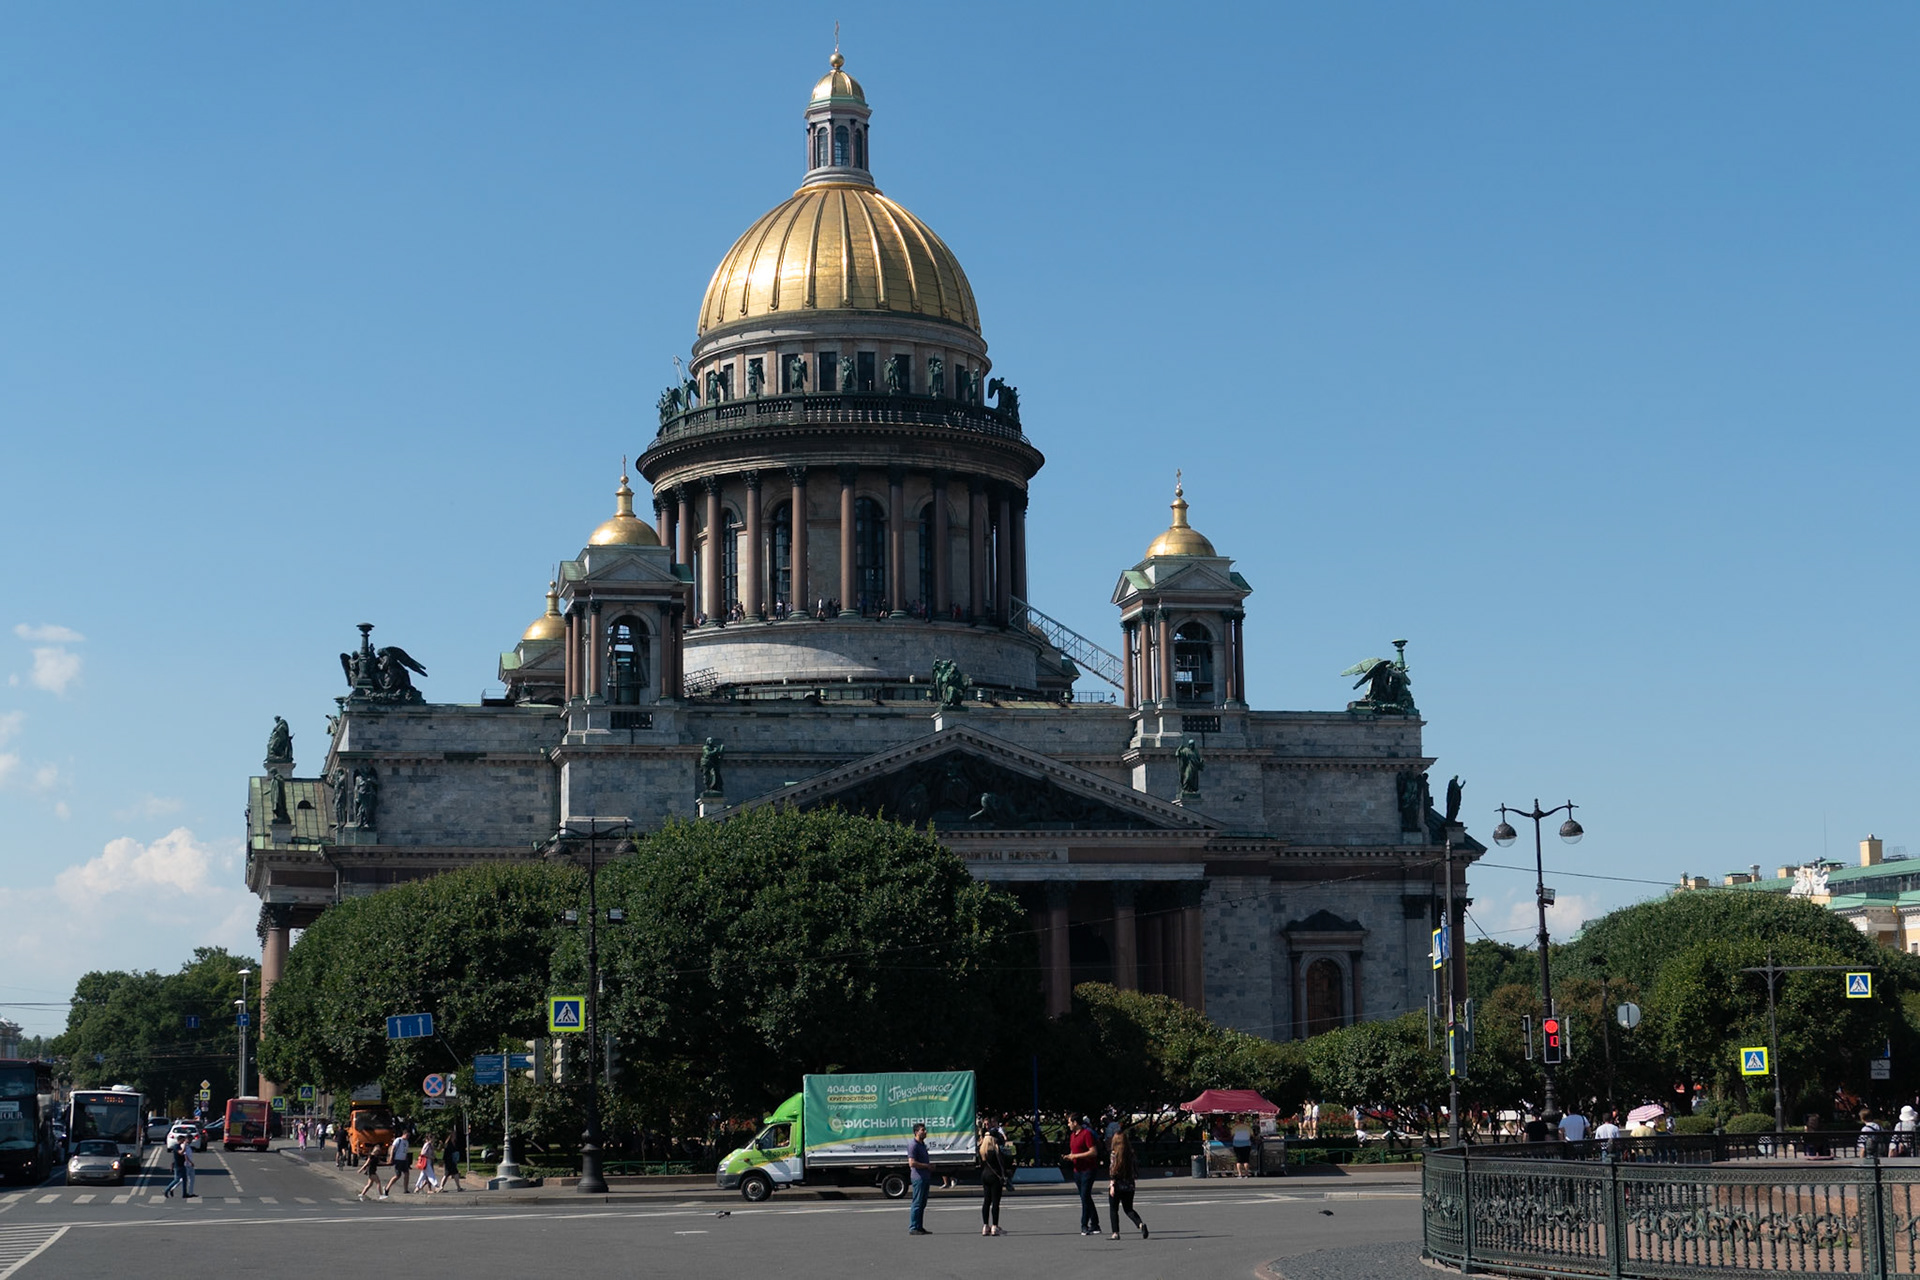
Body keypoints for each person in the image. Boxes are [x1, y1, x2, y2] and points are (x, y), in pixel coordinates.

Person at [1106, 1129, 1148, 1240]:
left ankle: (1115, 1233)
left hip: (1117, 1185)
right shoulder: (1131, 1154)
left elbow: (1113, 1170)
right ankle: (1140, 1224)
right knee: (1128, 1209)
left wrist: (1112, 1184)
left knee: (1114, 1209)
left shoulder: (1114, 1154)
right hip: (1129, 1185)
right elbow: (1135, 1171)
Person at [1067, 1116, 1101, 1235]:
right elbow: (1074, 1151)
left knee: (1085, 1196)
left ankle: (1084, 1225)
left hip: (1088, 1169)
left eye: (1069, 1122)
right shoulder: (1072, 1136)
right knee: (1085, 1197)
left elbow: (1093, 1152)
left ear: (1075, 1122)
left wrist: (1075, 1156)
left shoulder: (1087, 1134)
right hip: (1077, 1170)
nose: (1068, 1124)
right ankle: (1095, 1224)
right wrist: (1070, 1156)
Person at [978, 1126, 1012, 1236]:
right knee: (995, 1202)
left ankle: (985, 1226)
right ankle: (995, 1226)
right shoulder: (995, 1151)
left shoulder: (982, 1150)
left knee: (986, 1201)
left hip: (985, 1175)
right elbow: (1004, 1163)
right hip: (995, 1176)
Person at [906, 1122, 933, 1235]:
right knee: (917, 1203)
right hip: (918, 1178)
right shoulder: (913, 1145)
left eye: (925, 1130)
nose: (925, 1132)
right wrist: (926, 1166)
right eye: (923, 1130)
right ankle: (913, 1227)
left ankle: (919, 1226)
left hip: (925, 1177)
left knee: (922, 1203)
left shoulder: (922, 1144)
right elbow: (912, 1163)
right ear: (916, 1132)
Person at [384, 1129, 411, 1196]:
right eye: (407, 1135)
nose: (408, 1137)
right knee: (398, 1175)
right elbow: (393, 1148)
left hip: (404, 1160)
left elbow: (405, 1151)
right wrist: (391, 1157)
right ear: (404, 1134)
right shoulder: (398, 1140)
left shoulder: (407, 1142)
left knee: (407, 1174)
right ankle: (387, 1188)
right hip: (398, 1159)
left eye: (409, 1136)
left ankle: (405, 1189)